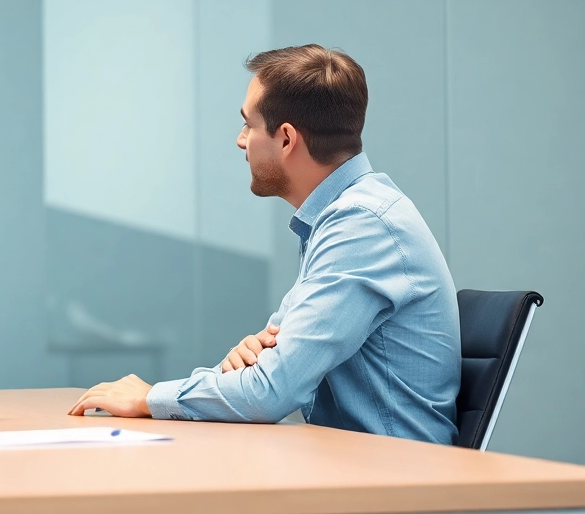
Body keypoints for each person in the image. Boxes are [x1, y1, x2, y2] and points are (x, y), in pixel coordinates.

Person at [69, 45, 461, 445]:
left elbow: (270, 393)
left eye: (249, 125)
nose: (241, 141)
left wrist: (150, 397)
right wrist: (239, 371)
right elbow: (266, 370)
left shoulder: (362, 227)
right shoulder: (342, 219)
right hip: (354, 463)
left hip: (395, 481)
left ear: (287, 138)